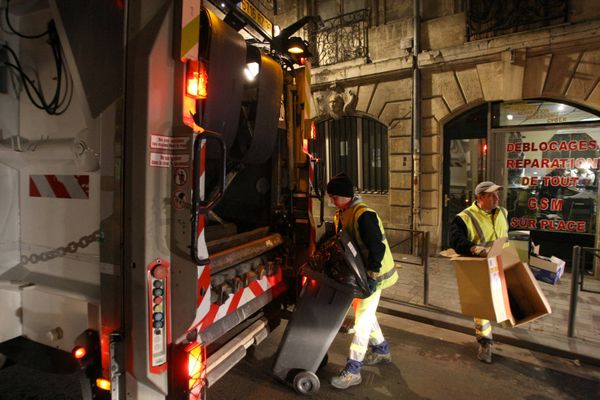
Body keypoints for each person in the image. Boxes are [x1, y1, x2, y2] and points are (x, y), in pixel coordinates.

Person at [325, 172, 399, 389]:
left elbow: (378, 247)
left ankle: (354, 369)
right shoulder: (343, 212)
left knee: (363, 321)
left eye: (334, 197)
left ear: (346, 196)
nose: (331, 201)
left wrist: (373, 275)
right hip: (361, 274)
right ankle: (382, 350)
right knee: (365, 313)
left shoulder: (364, 215)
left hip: (373, 275)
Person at [449, 181, 508, 364]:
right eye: (491, 195)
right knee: (482, 307)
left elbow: (507, 235)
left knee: (504, 299)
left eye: (497, 194)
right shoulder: (464, 217)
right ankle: (485, 341)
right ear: (480, 197)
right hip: (480, 268)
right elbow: (456, 241)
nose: (497, 198)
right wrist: (474, 249)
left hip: (502, 263)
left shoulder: (503, 212)